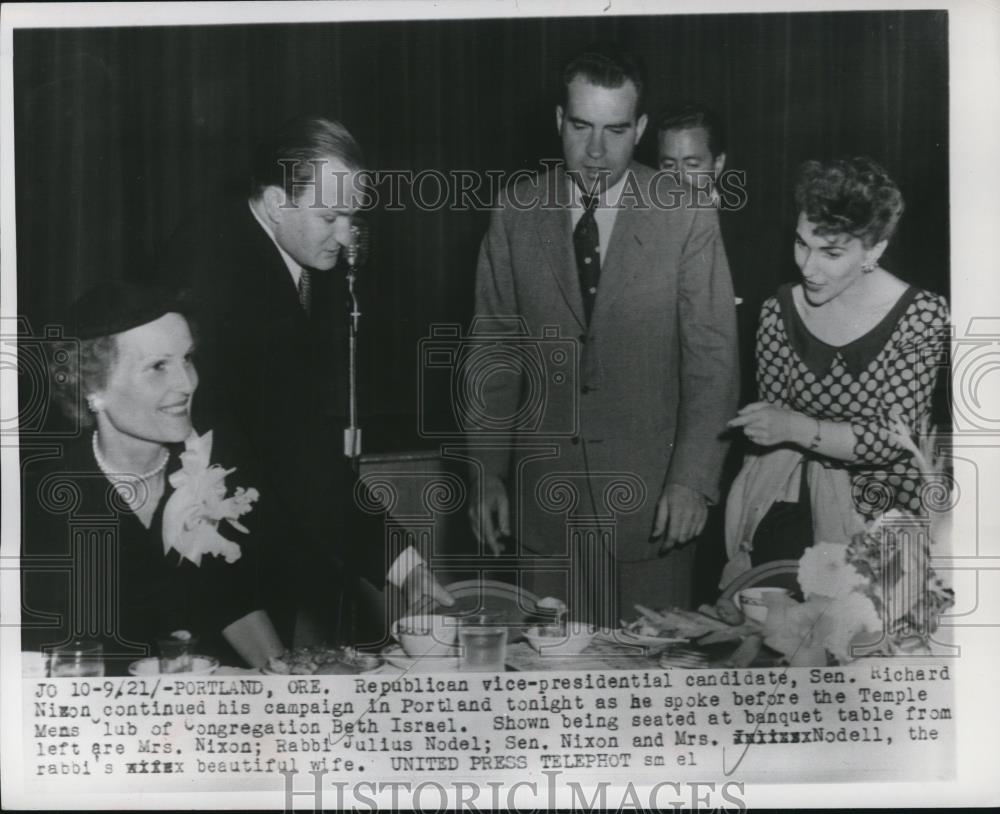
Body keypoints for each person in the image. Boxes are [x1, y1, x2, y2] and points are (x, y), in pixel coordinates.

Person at [469, 45, 739, 625]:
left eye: (616, 130)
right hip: (541, 505)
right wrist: (485, 469)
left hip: (653, 512)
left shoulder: (685, 214)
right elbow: (493, 350)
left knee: (652, 694)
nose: (596, 151)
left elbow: (712, 361)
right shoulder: (516, 212)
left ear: (640, 129)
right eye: (582, 127)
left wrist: (693, 481)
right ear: (559, 122)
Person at [159, 116, 451, 645]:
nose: (346, 236)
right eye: (329, 216)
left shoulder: (254, 246)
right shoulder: (238, 280)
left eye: (353, 215)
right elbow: (299, 456)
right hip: (219, 561)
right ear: (276, 203)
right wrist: (404, 565)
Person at [21, 282, 285, 674]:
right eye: (158, 367)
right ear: (92, 386)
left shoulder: (206, 468)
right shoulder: (43, 502)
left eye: (188, 359)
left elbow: (232, 600)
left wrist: (286, 685)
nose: (187, 383)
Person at [722, 156, 949, 584]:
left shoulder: (921, 315)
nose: (808, 267)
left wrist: (794, 425)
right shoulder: (777, 312)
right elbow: (770, 441)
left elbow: (892, 438)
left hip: (885, 523)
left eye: (831, 252)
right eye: (801, 243)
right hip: (795, 511)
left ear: (875, 248)